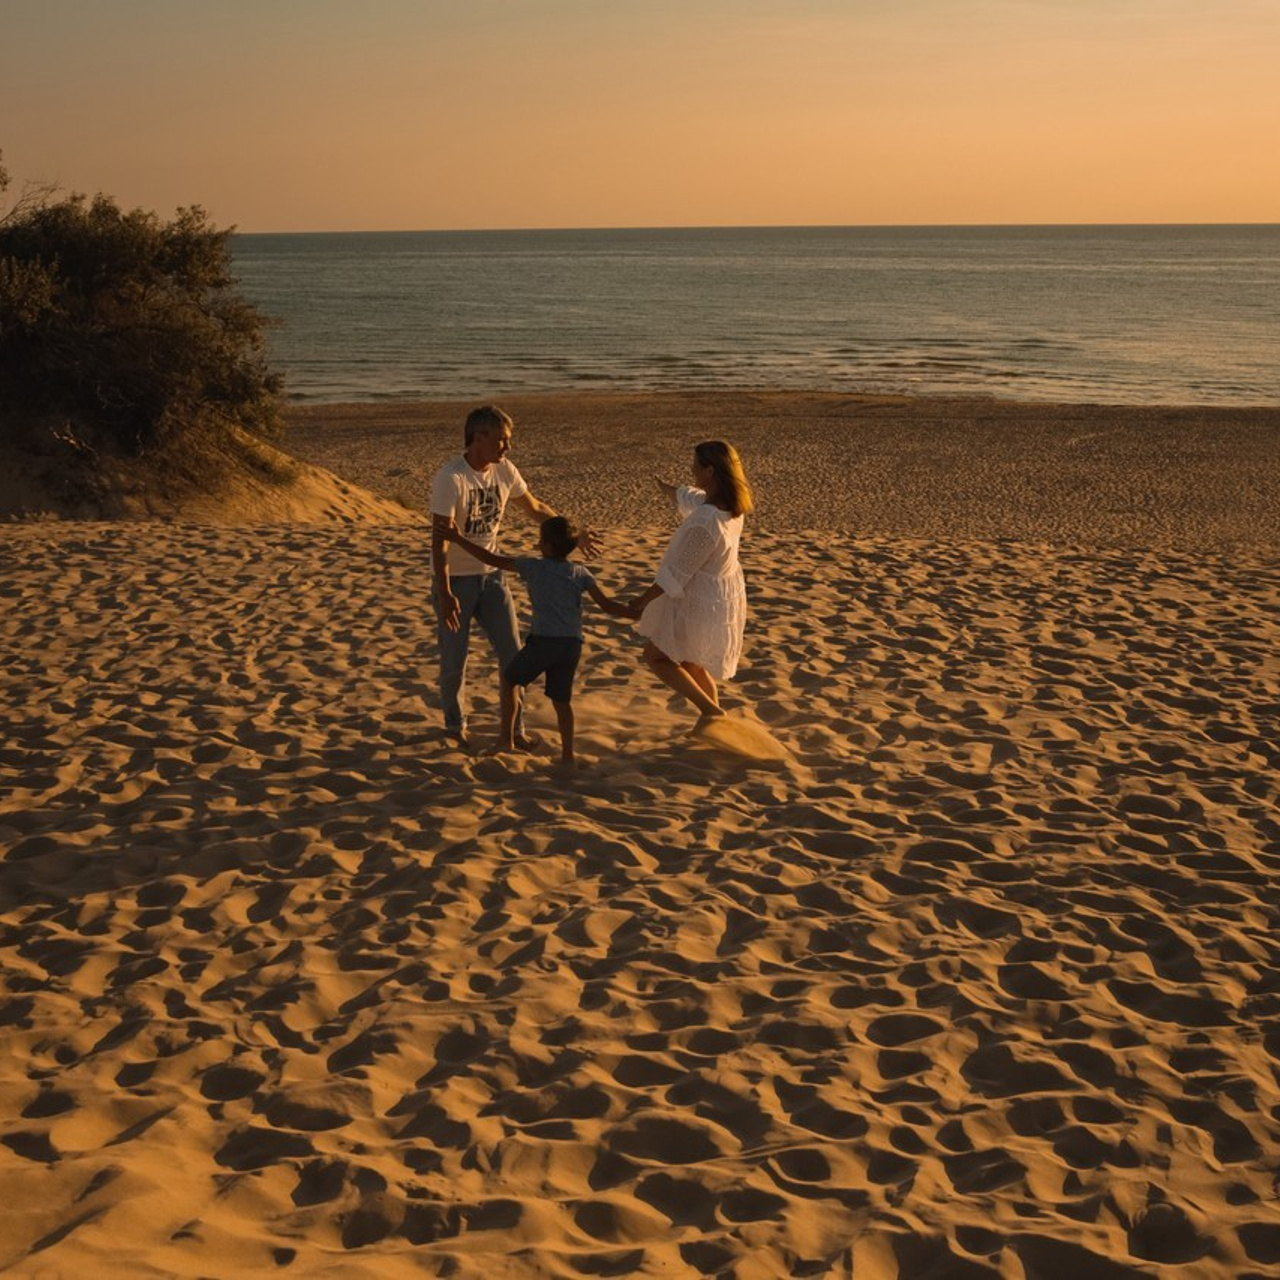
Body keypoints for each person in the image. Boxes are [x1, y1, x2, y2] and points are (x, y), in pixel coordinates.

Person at [430, 404, 599, 748]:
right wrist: (445, 591)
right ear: (478, 437)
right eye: (502, 440)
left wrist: (571, 534)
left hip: (493, 578)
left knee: (514, 657)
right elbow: (440, 540)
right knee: (454, 661)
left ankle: (515, 731)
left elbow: (536, 509)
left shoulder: (504, 470)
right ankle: (454, 727)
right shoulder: (451, 478)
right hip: (457, 581)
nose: (507, 448)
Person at [441, 514, 631, 765]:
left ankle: (506, 740)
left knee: (509, 680)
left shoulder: (533, 566)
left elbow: (490, 559)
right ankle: (567, 755)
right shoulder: (580, 572)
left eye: (542, 540)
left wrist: (456, 538)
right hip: (571, 645)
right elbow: (607, 605)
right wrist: (636, 611)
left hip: (544, 642)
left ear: (549, 547)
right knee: (562, 701)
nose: (538, 543)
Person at [629, 440, 752, 724]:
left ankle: (711, 712)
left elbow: (676, 575)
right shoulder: (731, 506)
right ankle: (713, 723)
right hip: (717, 597)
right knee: (691, 663)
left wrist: (641, 602)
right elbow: (689, 497)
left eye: (696, 465)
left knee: (656, 657)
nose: (691, 469)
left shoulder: (706, 523)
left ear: (709, 471)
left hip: (698, 600)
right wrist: (664, 487)